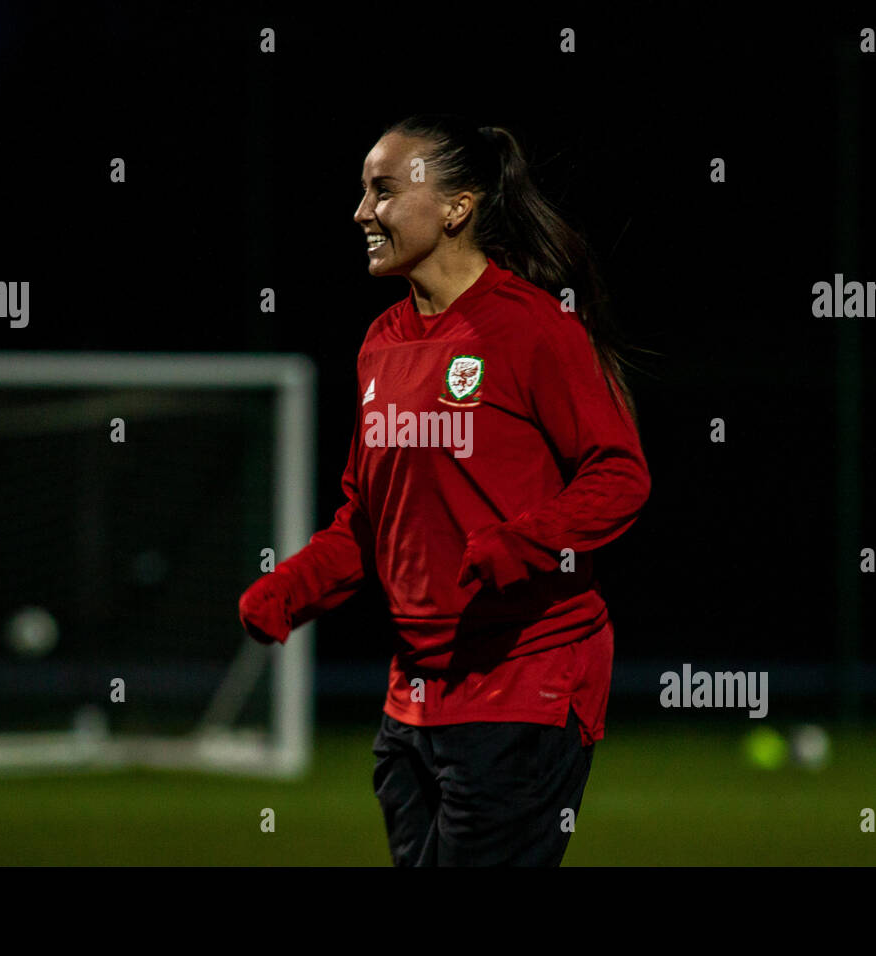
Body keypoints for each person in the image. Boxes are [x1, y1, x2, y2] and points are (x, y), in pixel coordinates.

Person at [238, 113, 652, 864]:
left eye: (384, 191)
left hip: (526, 680)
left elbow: (619, 475)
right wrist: (291, 586)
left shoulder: (532, 329)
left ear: (457, 206)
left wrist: (524, 543)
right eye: (364, 193)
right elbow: (367, 520)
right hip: (415, 704)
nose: (362, 213)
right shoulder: (381, 345)